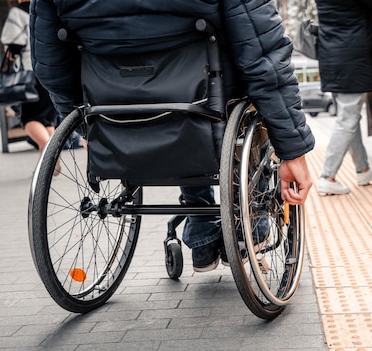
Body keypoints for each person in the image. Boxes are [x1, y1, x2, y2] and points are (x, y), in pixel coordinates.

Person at [29, 0, 315, 272]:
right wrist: (292, 150)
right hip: (209, 102)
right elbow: (264, 57)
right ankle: (251, 222)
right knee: (238, 95)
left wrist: (87, 124)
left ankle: (200, 226)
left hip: (111, 106)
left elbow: (50, 65)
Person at [315, 0, 372, 195]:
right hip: (351, 56)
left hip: (331, 54)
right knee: (348, 119)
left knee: (349, 116)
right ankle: (327, 176)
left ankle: (363, 169)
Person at [1, 0, 58, 170]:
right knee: (47, 119)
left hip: (30, 72)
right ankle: (45, 168)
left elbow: (14, 43)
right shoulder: (49, 8)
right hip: (52, 70)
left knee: (29, 118)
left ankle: (49, 151)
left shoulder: (18, 12)